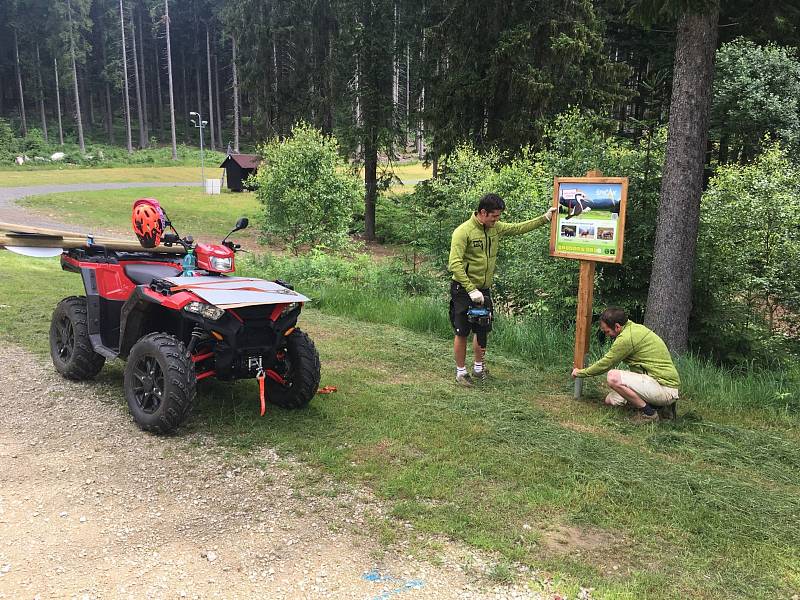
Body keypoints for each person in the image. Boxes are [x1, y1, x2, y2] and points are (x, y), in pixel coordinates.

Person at [448, 193, 557, 386]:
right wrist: (471, 289)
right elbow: (454, 264)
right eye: (494, 216)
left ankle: (479, 368)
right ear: (483, 212)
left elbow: (518, 228)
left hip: (484, 289)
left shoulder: (495, 229)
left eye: (498, 217)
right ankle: (461, 372)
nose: (497, 220)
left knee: (482, 329)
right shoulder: (463, 232)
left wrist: (545, 218)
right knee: (462, 331)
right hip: (464, 290)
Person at [571, 307, 681, 423]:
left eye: (607, 331)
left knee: (613, 377)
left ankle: (650, 413)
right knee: (611, 400)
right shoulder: (632, 327)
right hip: (652, 381)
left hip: (664, 387)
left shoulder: (626, 338)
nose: (607, 335)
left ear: (617, 326)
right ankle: (659, 408)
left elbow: (605, 364)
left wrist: (580, 373)